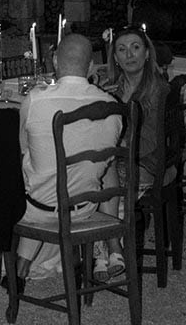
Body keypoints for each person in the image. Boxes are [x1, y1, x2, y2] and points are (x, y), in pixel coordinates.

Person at [16, 32, 123, 284]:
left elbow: (22, 150)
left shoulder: (35, 100)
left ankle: (18, 268)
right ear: (91, 67)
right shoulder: (113, 107)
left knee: (32, 182)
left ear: (54, 61)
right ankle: (25, 266)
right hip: (84, 209)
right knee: (88, 172)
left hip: (39, 209)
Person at [100, 26, 170, 194]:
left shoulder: (158, 89)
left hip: (147, 163)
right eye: (122, 50)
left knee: (96, 178)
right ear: (116, 58)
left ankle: (118, 219)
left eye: (135, 47)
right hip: (118, 156)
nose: (129, 55)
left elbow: (150, 142)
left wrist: (112, 147)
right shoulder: (113, 89)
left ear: (146, 54)